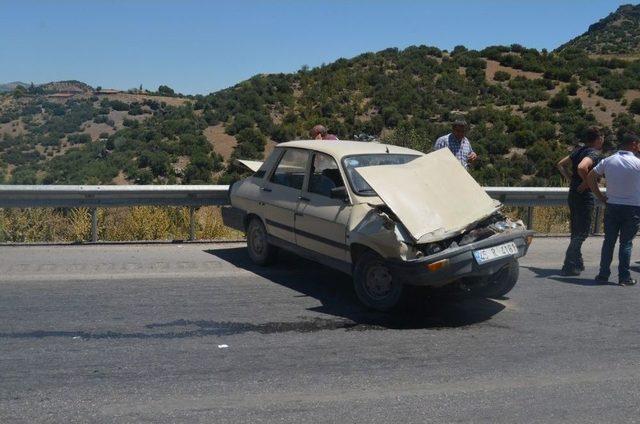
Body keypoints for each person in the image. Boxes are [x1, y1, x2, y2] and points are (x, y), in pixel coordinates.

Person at [586, 133, 640, 286]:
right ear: (634, 144)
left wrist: (600, 196)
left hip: (612, 205)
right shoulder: (637, 163)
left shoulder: (608, 161)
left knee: (609, 242)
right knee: (626, 243)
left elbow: (590, 177)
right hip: (633, 208)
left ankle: (603, 274)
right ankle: (624, 277)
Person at [557, 127, 604, 276]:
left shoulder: (579, 150)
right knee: (582, 232)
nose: (603, 140)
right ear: (597, 139)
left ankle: (577, 262)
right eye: (602, 137)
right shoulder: (593, 153)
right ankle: (568, 264)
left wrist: (572, 180)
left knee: (576, 230)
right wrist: (588, 182)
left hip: (573, 193)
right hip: (584, 196)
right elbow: (582, 167)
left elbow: (560, 164)